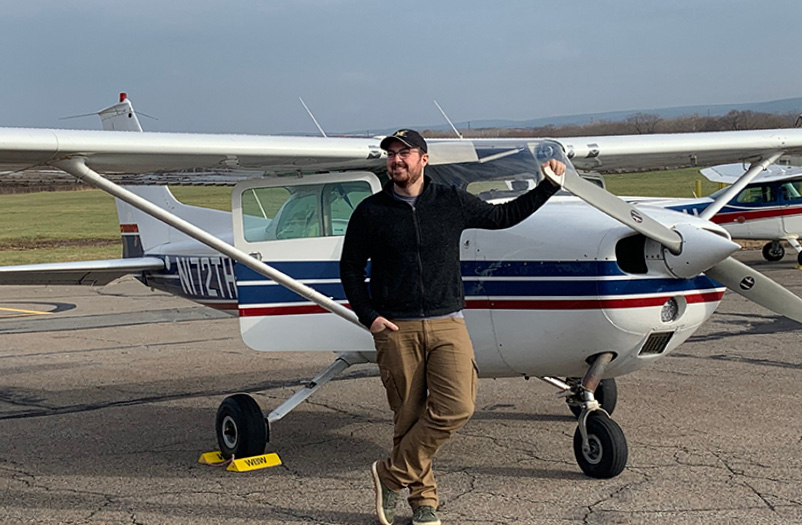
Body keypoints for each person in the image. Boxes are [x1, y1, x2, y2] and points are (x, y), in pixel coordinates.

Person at [340, 129, 564, 525]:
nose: (396, 160)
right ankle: (423, 504)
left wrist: (548, 187)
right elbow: (351, 268)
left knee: (458, 406)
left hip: (448, 322)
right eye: (391, 154)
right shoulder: (371, 211)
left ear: (423, 159)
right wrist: (369, 316)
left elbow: (502, 217)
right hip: (397, 328)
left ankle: (390, 475)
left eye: (405, 153)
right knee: (408, 418)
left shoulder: (450, 200)